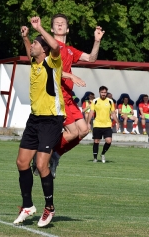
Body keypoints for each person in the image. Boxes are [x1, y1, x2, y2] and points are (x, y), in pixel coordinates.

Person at [35, 13, 105, 178]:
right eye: (56, 24)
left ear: (67, 29)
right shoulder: (50, 47)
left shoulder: (70, 50)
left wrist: (97, 40)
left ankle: (55, 155)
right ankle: (44, 155)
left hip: (68, 97)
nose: (59, 25)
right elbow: (48, 69)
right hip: (56, 97)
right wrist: (71, 76)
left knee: (85, 130)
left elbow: (91, 58)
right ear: (52, 29)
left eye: (62, 23)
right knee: (73, 132)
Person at [14, 16, 64, 227]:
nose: (32, 46)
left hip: (51, 120)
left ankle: (49, 208)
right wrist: (26, 37)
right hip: (34, 119)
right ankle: (27, 205)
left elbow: (54, 45)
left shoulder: (52, 62)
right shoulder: (35, 64)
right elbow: (30, 52)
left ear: (43, 50)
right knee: (22, 163)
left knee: (41, 165)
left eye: (35, 44)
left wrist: (39, 28)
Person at [86, 86, 118, 163]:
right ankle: (95, 158)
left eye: (105, 92)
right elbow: (91, 112)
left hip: (107, 124)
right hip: (97, 124)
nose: (103, 94)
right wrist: (88, 123)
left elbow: (113, 113)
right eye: (102, 92)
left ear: (106, 93)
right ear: (99, 92)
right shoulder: (95, 101)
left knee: (109, 141)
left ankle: (103, 153)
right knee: (96, 141)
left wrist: (117, 122)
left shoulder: (110, 101)